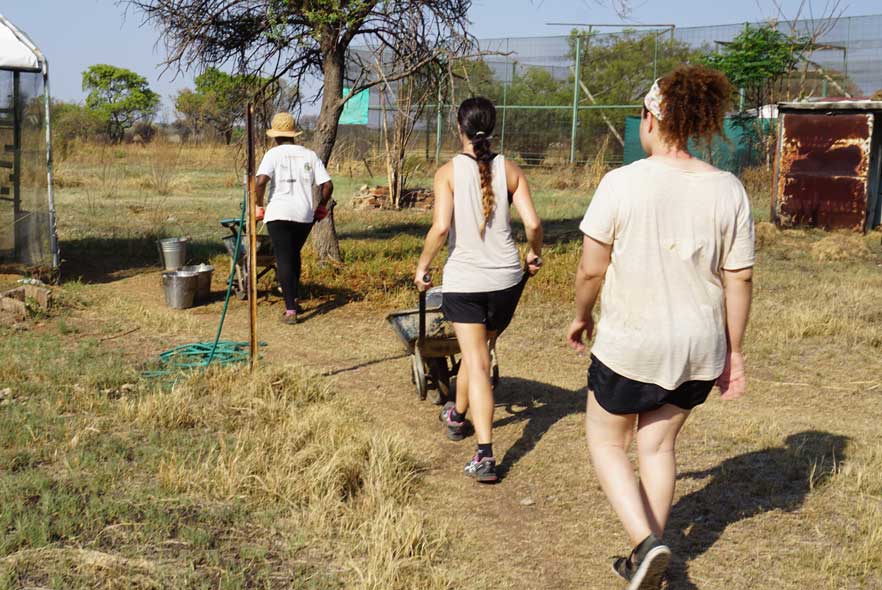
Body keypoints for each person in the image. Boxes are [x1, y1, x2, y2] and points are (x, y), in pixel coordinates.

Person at [566, 65, 754, 589]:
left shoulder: (621, 183)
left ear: (650, 119)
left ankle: (647, 545)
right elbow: (739, 279)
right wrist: (733, 353)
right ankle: (645, 559)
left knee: (606, 442)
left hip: (631, 342)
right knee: (658, 447)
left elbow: (591, 268)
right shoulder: (729, 189)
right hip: (699, 347)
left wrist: (582, 316)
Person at [415, 97, 543, 483]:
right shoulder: (511, 169)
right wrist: (533, 254)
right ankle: (457, 414)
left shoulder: (447, 172)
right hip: (506, 281)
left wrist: (422, 267)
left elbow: (440, 229)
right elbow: (533, 224)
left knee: (478, 361)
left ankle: (485, 455)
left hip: (467, 282)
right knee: (477, 354)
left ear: (460, 127)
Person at [254, 112, 334, 324]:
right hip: (303, 215)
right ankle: (294, 297)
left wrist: (258, 206)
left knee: (283, 258)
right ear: (293, 134)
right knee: (293, 254)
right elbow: (327, 185)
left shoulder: (273, 154)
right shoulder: (309, 155)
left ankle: (290, 310)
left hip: (278, 213)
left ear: (275, 136)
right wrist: (321, 208)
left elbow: (261, 181)